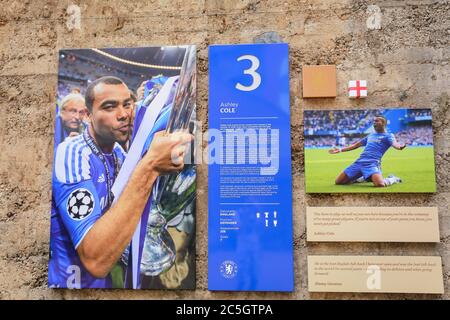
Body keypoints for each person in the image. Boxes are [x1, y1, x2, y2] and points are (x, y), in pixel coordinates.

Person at [49, 76, 192, 288]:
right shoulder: (72, 154)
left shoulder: (118, 152)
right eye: (109, 107)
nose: (123, 114)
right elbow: (94, 259)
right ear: (88, 116)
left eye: (127, 104)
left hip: (104, 284)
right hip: (68, 286)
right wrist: (150, 166)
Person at [329, 116, 405, 187]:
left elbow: (395, 144)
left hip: (372, 163)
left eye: (377, 121)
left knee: (380, 184)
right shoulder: (371, 135)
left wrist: (399, 146)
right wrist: (340, 150)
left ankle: (393, 179)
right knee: (338, 182)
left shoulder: (388, 135)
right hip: (359, 162)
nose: (374, 123)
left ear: (383, 123)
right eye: (374, 121)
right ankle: (363, 178)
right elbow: (356, 145)